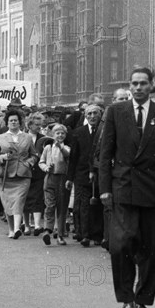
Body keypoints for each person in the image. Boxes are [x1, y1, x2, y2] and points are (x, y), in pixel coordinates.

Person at [100, 66, 155, 308]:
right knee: (121, 243)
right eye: (134, 83)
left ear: (151, 85)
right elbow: (105, 154)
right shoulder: (116, 112)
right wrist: (104, 188)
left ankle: (143, 298)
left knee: (151, 246)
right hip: (123, 187)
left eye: (143, 83)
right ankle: (126, 298)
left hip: (154, 189)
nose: (138, 88)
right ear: (129, 86)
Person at [0, 109, 37, 239]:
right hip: (5, 175)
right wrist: (2, 157)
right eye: (11, 120)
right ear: (7, 123)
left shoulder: (27, 137)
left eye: (16, 120)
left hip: (23, 175)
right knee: (7, 203)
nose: (13, 122)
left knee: (19, 201)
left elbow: (34, 155)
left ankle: (17, 228)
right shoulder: (0, 137)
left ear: (20, 122)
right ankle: (11, 229)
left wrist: (29, 163)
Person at [66, 104, 103, 247]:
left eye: (95, 113)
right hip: (81, 174)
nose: (92, 116)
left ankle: (98, 235)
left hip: (100, 173)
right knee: (84, 205)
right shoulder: (78, 132)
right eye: (89, 114)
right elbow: (73, 157)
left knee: (98, 204)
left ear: (100, 115)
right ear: (85, 116)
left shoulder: (104, 131)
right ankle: (85, 234)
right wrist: (70, 178)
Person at [39, 124, 71, 246]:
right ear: (53, 135)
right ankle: (47, 230)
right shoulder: (48, 148)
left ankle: (61, 235)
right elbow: (41, 162)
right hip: (50, 178)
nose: (60, 135)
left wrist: (60, 147)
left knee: (62, 208)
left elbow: (67, 155)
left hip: (63, 179)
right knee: (50, 205)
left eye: (62, 133)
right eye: (57, 133)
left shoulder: (67, 147)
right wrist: (46, 167)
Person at [23, 113, 46, 234]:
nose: (39, 127)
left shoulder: (43, 138)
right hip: (24, 171)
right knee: (25, 198)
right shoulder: (23, 137)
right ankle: (26, 225)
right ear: (30, 124)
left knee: (37, 197)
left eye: (40, 125)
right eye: (36, 124)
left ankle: (37, 225)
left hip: (38, 171)